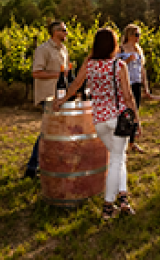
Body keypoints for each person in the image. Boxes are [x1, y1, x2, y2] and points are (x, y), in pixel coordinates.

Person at [55, 27, 141, 219]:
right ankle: (108, 206)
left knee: (118, 158)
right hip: (118, 119)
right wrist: (136, 118)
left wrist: (61, 100)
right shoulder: (119, 66)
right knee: (117, 159)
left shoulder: (90, 64)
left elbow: (76, 85)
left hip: (99, 120)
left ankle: (124, 198)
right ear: (114, 45)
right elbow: (128, 96)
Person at [24, 20, 69, 179]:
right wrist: (57, 74)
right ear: (55, 32)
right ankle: (32, 167)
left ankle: (50, 164)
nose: (66, 33)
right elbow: (36, 73)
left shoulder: (64, 49)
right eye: (64, 30)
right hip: (48, 96)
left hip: (60, 96)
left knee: (57, 131)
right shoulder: (43, 49)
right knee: (48, 131)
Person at [118, 24, 150, 153]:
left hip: (136, 83)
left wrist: (146, 86)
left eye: (139, 35)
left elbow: (142, 70)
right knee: (126, 113)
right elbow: (115, 67)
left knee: (135, 111)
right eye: (137, 34)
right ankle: (122, 142)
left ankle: (132, 142)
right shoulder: (121, 50)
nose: (139, 37)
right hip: (126, 84)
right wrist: (127, 61)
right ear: (130, 35)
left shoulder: (138, 50)